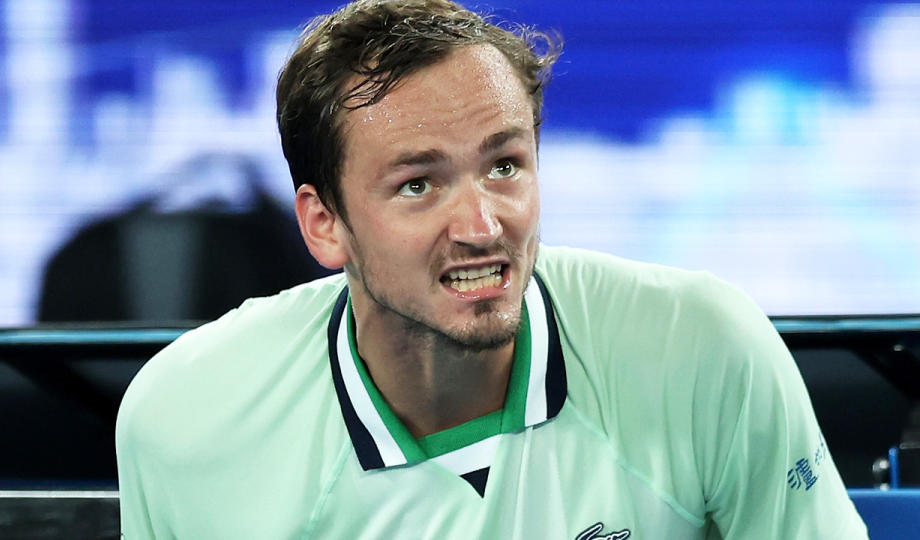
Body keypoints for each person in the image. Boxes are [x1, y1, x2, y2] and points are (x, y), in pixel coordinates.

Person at [116, 1, 868, 538]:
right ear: (324, 224)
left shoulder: (700, 346)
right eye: (419, 184)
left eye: (505, 166)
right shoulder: (187, 422)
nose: (482, 226)